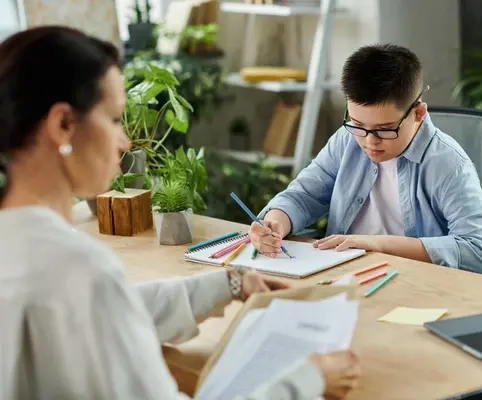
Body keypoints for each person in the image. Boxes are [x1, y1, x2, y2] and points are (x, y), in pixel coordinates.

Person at [0, 26, 360, 399]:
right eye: (112, 120)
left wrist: (224, 285)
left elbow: (105, 318)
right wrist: (306, 381)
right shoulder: (80, 271)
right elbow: (94, 304)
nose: (124, 141)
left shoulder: (22, 248)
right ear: (63, 125)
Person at [250, 44, 482, 275]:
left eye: (385, 129)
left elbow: (477, 251)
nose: (369, 141)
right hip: (344, 274)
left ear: (418, 113)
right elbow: (304, 195)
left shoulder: (447, 164)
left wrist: (372, 244)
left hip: (415, 282)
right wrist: (276, 222)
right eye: (358, 125)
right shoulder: (346, 140)